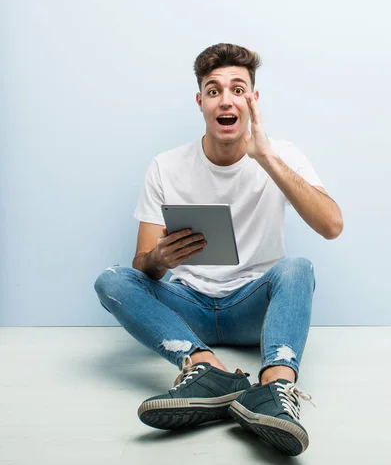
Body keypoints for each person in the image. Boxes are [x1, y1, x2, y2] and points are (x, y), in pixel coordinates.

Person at [93, 43, 343, 456]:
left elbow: (331, 225)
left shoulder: (281, 155)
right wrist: (159, 259)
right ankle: (208, 371)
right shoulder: (166, 166)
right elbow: (143, 265)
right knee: (112, 280)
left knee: (298, 267)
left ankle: (273, 389)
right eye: (214, 90)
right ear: (201, 102)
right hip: (188, 309)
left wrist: (267, 158)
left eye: (238, 89)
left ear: (253, 99)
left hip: (252, 311)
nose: (226, 99)